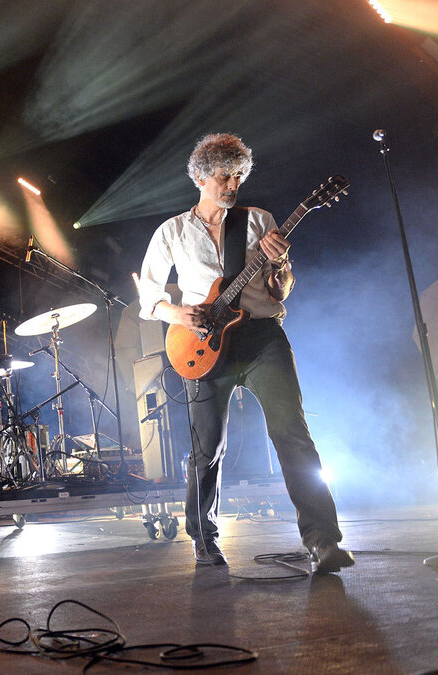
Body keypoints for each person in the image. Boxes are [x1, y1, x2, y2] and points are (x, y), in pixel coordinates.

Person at [135, 133, 353, 573]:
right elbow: (149, 301)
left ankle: (322, 540)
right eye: (222, 176)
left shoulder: (259, 220)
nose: (231, 184)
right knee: (207, 447)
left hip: (260, 337)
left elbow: (281, 290)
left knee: (292, 432)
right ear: (199, 177)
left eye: (238, 176)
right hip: (203, 344)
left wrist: (279, 264)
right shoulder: (171, 232)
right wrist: (181, 316)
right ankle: (203, 537)